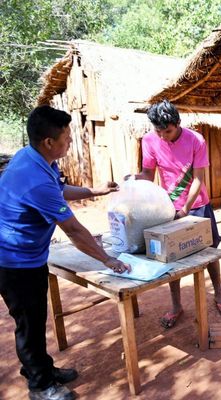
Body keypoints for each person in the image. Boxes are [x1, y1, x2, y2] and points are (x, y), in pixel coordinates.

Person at [0, 106, 131, 400]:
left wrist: (95, 192)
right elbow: (74, 230)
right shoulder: (34, 178)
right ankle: (40, 385)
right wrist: (108, 259)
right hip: (14, 262)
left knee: (35, 319)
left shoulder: (34, 158)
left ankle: (42, 369)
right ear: (49, 142)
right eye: (67, 137)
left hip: (26, 255)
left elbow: (60, 189)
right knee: (30, 325)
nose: (70, 141)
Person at [132, 99, 221, 329]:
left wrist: (186, 208)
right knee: (171, 256)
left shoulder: (196, 139)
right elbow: (148, 174)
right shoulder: (149, 140)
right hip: (168, 208)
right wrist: (131, 179)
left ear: (177, 124)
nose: (163, 136)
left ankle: (218, 295)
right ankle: (177, 307)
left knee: (209, 251)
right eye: (158, 131)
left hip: (197, 206)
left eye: (167, 131)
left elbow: (198, 178)